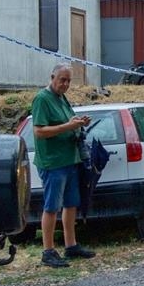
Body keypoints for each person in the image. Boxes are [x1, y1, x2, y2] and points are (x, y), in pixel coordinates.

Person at [32, 63, 96, 267]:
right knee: (52, 206)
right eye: (62, 80)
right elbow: (39, 131)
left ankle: (71, 245)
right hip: (53, 162)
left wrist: (79, 122)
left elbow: (67, 122)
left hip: (70, 159)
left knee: (71, 204)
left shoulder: (62, 98)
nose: (66, 84)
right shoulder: (42, 99)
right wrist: (68, 126)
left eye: (68, 80)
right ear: (52, 77)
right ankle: (48, 251)